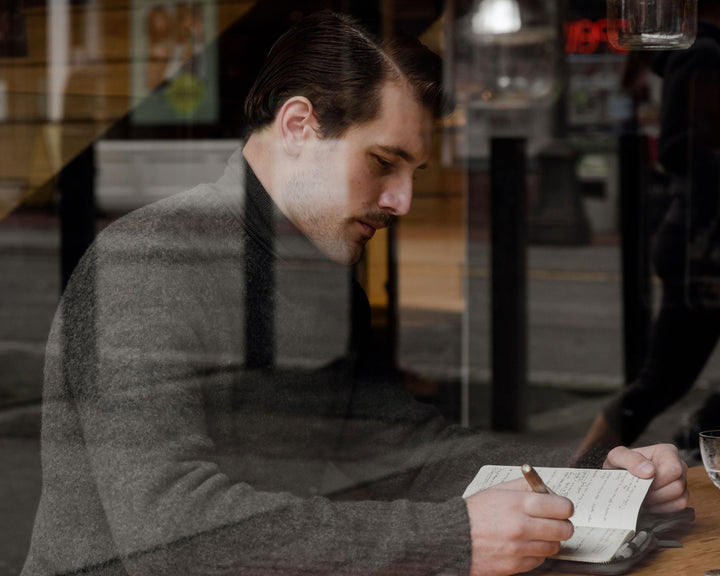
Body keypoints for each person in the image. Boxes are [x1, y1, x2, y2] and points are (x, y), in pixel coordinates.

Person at [23, 11, 688, 576]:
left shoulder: (312, 269)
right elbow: (169, 531)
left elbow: (401, 452)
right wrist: (455, 539)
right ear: (297, 127)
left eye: (413, 174)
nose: (401, 202)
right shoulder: (149, 261)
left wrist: (602, 473)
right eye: (381, 163)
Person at [575, 0, 720, 460]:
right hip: (705, 244)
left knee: (665, 378)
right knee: (664, 378)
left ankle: (695, 440)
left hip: (701, 238)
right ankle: (580, 471)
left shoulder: (701, 52)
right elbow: (682, 148)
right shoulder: (704, 53)